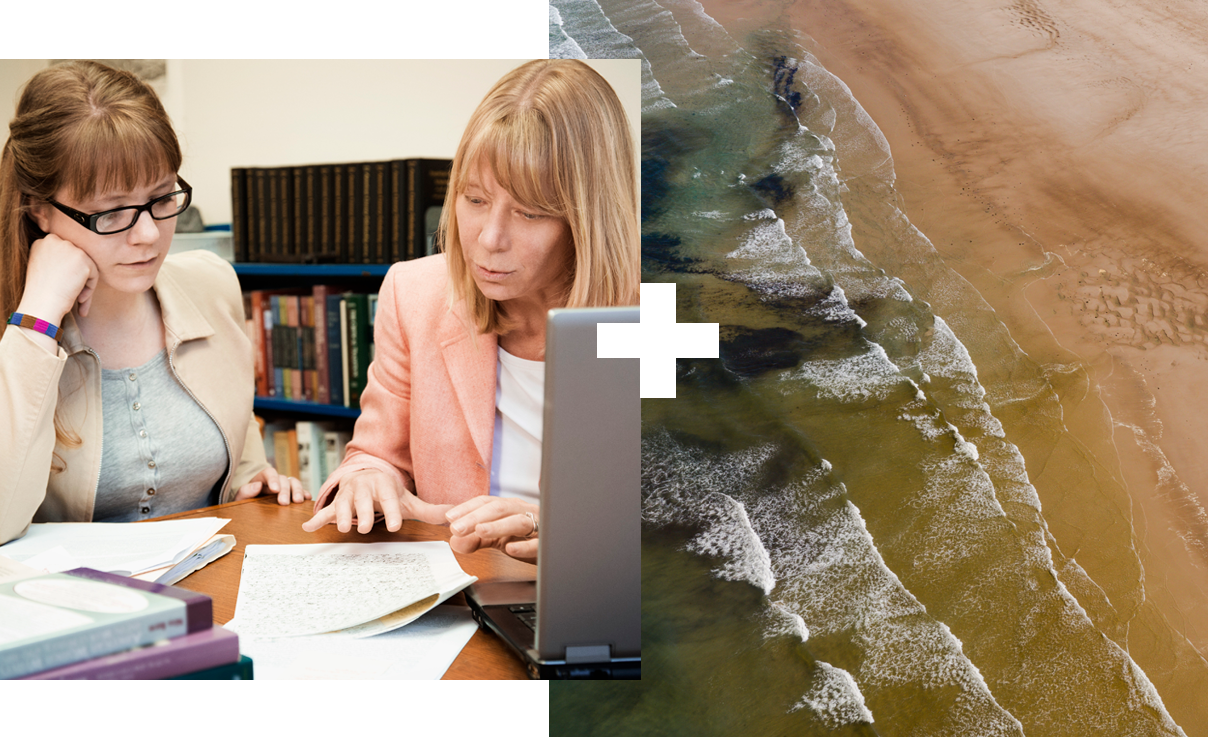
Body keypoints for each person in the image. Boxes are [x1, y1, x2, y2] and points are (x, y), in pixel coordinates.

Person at [302, 59, 638, 563]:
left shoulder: (668, 314)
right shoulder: (414, 292)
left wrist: (557, 527)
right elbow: (373, 454)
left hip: (604, 600)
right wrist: (368, 479)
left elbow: (709, 517)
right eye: (475, 200)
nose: (490, 238)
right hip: (464, 592)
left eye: (530, 212)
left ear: (589, 217)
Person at [0, 60, 308, 546]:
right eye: (113, 211)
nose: (148, 235)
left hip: (211, 589)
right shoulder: (15, 331)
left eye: (163, 198)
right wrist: (36, 317)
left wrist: (257, 480)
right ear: (40, 208)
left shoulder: (211, 285)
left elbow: (241, 440)